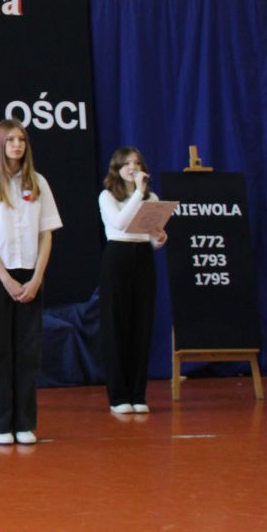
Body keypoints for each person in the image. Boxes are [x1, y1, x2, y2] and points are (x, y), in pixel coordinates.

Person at [0, 118, 60, 446]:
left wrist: (36, 278)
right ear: (0, 144)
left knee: (28, 351)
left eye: (21, 140)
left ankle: (24, 422)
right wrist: (5, 278)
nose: (17, 145)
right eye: (10, 140)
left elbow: (46, 235)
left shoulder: (38, 182)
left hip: (30, 274)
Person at [97, 147, 167, 417]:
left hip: (143, 258)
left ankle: (138, 393)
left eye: (137, 163)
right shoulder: (107, 196)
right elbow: (120, 223)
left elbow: (151, 238)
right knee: (117, 326)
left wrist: (160, 237)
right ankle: (118, 395)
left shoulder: (152, 197)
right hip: (117, 257)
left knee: (142, 325)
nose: (132, 168)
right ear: (116, 168)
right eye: (126, 163)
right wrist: (138, 193)